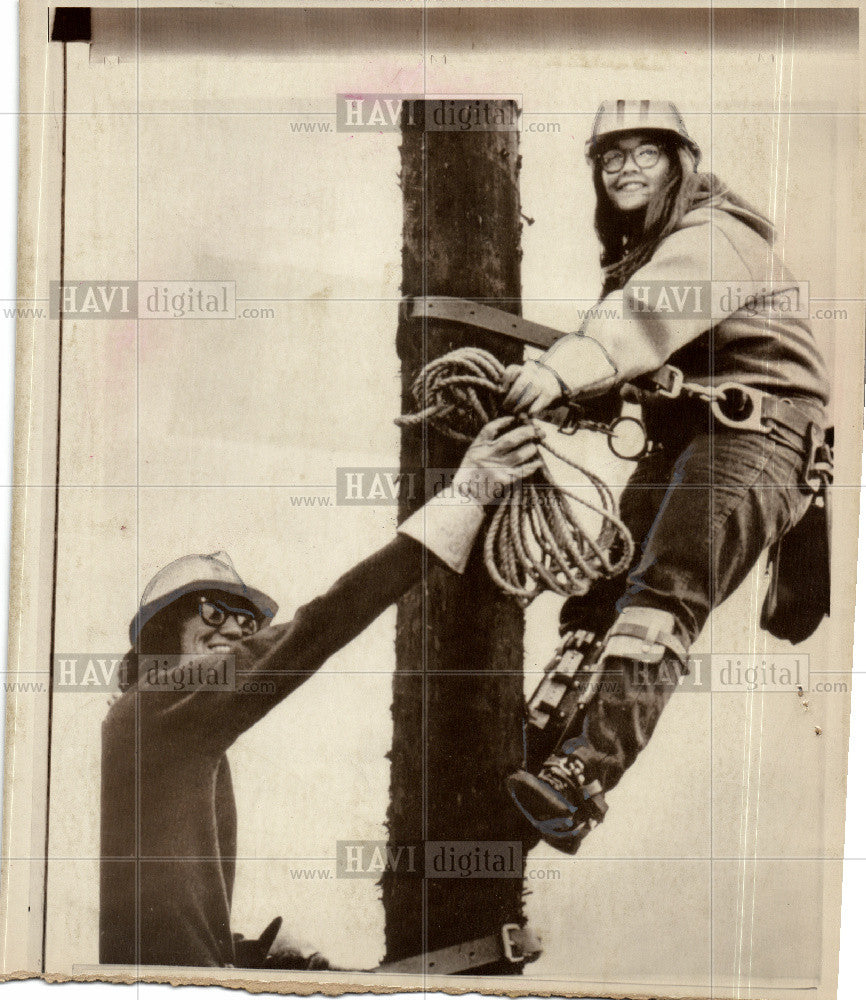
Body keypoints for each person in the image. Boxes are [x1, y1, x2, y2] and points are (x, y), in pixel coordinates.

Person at [503, 100, 830, 853]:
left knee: (663, 594)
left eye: (643, 154)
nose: (623, 168)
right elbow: (632, 359)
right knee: (600, 596)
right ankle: (546, 735)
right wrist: (559, 391)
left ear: (678, 163)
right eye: (609, 158)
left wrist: (555, 373)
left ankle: (583, 773)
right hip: (693, 437)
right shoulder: (651, 250)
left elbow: (641, 324)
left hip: (758, 437)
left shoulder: (716, 236)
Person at [99, 417, 541, 968]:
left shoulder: (176, 733)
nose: (236, 630)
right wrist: (467, 494)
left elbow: (159, 921)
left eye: (245, 623)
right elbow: (317, 628)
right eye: (214, 611)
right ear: (164, 632)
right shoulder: (151, 711)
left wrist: (251, 953)